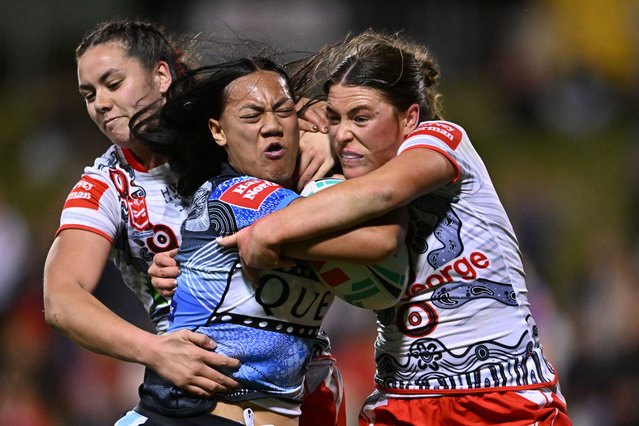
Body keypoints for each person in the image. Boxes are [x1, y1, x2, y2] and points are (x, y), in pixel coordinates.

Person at [216, 30, 572, 425]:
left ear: (409, 118)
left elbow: (384, 193)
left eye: (361, 117)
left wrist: (269, 231)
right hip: (400, 397)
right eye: (335, 118)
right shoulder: (344, 172)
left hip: (499, 397)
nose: (344, 132)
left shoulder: (442, 142)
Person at [42, 19, 342, 425]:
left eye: (113, 83)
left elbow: (331, 122)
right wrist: (155, 349)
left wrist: (324, 137)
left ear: (161, 75)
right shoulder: (106, 186)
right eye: (88, 93)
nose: (100, 103)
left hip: (301, 376)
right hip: (198, 388)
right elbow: (61, 299)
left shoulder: (244, 126)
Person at [121, 56, 406, 425]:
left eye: (283, 111)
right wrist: (378, 167)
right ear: (217, 130)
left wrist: (329, 144)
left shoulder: (303, 198)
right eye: (251, 115)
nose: (271, 126)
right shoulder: (242, 199)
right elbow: (381, 243)